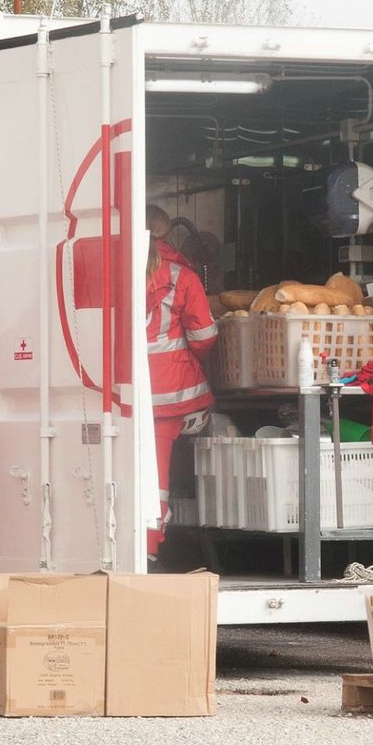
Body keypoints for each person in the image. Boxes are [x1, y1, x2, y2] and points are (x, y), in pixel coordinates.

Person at [144, 222, 217, 562]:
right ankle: (150, 546)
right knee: (157, 474)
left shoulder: (116, 266)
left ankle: (139, 544)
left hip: (119, 392)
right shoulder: (182, 276)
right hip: (172, 394)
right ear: (166, 235)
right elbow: (204, 335)